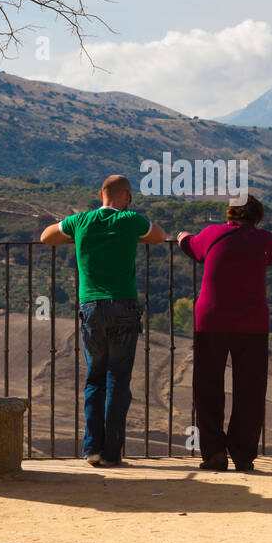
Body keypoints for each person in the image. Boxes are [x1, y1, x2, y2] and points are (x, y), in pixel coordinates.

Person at [40, 175, 166, 466]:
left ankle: (92, 449)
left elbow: (47, 237)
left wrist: (76, 233)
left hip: (92, 308)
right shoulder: (130, 219)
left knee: (94, 378)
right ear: (127, 196)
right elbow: (159, 235)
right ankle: (112, 452)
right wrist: (133, 228)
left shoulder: (80, 220)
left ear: (101, 194)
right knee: (118, 380)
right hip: (124, 305)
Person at [177, 195, 272, 472]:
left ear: (229, 215)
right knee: (250, 390)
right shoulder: (263, 239)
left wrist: (182, 236)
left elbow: (190, 245)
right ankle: (243, 454)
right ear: (256, 218)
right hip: (252, 323)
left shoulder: (212, 234)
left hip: (211, 321)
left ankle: (214, 452)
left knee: (207, 388)